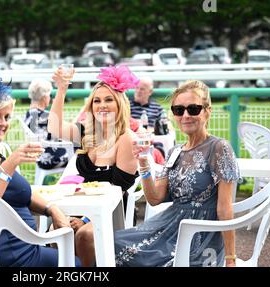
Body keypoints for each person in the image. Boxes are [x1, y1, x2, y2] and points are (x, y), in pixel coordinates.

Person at [0, 70, 80, 267]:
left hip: (18, 248)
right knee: (78, 263)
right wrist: (11, 163)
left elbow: (19, 193)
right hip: (11, 256)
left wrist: (50, 208)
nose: (3, 123)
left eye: (7, 117)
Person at [114, 80, 240, 267]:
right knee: (112, 243)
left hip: (199, 236)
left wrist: (231, 259)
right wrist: (144, 164)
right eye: (179, 110)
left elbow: (224, 209)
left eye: (193, 109)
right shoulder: (174, 152)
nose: (186, 115)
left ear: (207, 111)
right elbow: (155, 198)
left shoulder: (219, 148)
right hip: (168, 226)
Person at [48, 65, 140, 266]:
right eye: (97, 101)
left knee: (84, 236)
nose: (102, 105)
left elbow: (119, 189)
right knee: (57, 231)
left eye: (108, 100)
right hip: (82, 207)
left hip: (113, 212)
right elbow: (54, 128)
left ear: (119, 105)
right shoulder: (86, 133)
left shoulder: (126, 139)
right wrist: (62, 89)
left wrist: (87, 220)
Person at [25, 78, 69, 170]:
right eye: (50, 95)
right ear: (44, 97)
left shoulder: (29, 114)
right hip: (51, 159)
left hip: (41, 158)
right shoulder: (45, 116)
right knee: (81, 155)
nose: (50, 98)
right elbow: (67, 131)